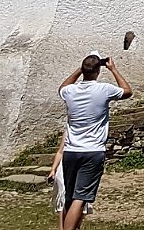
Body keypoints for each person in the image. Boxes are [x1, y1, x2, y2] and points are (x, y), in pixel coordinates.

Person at [47, 52, 131, 230]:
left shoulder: (70, 91)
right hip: (93, 151)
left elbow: (62, 87)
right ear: (98, 71)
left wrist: (81, 69)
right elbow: (127, 91)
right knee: (81, 197)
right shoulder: (103, 89)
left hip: (70, 151)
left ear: (84, 70)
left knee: (69, 197)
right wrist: (113, 69)